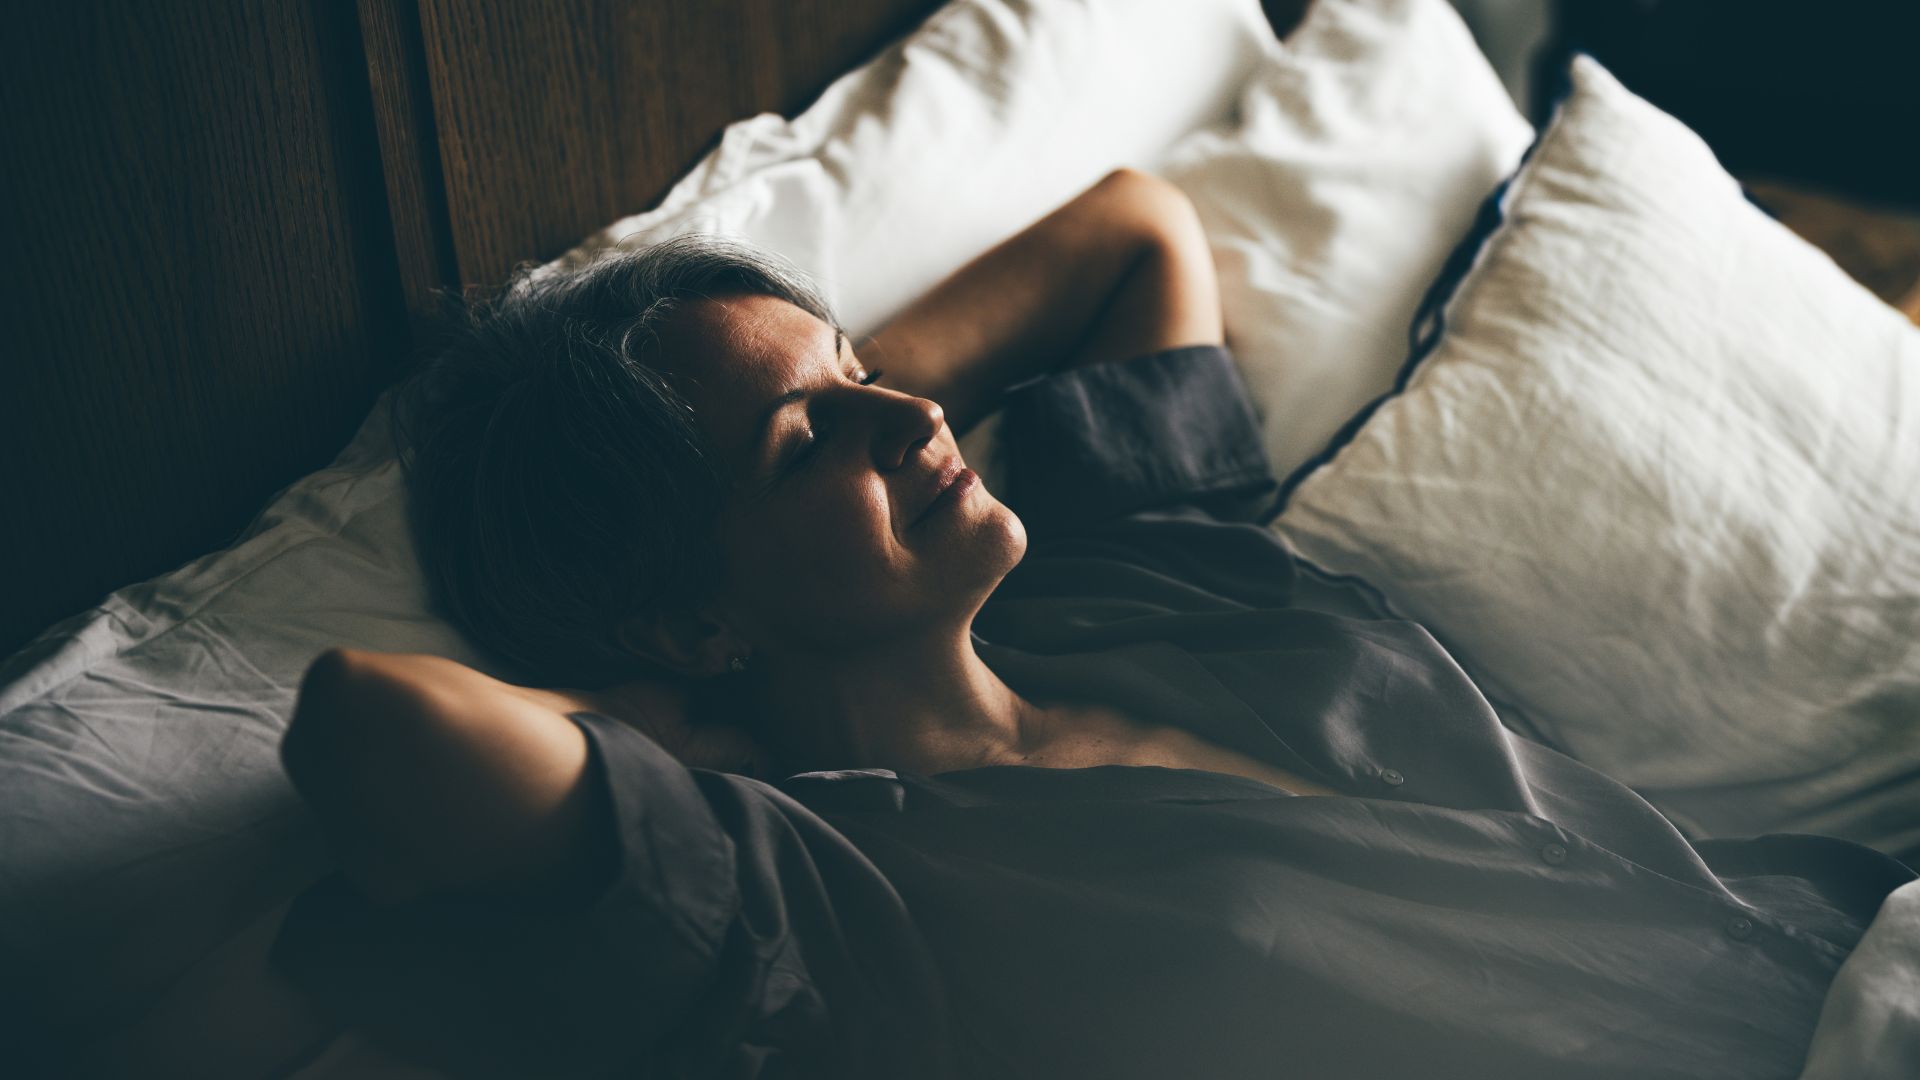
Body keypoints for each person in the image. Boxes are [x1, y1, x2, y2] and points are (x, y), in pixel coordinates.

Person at [272, 169, 1913, 1079]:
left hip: (1850, 937)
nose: (915, 415)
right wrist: (641, 706)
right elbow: (375, 725)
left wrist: (817, 403)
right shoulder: (839, 894)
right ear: (687, 623)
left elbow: (1138, 229)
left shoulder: (1117, 572)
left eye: (869, 374)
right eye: (807, 445)